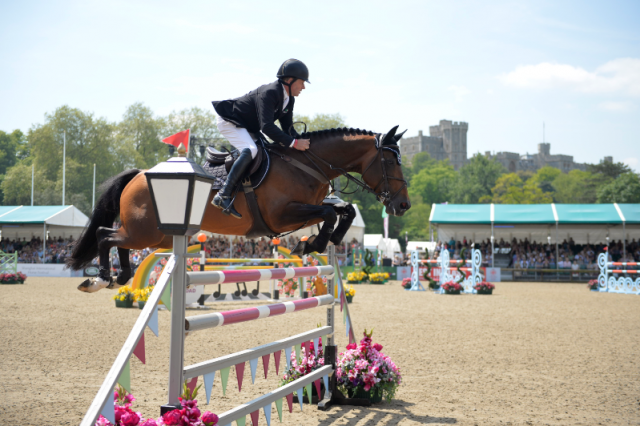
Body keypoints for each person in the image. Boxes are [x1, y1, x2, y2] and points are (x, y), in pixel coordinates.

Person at [210, 59, 312, 219]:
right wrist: (294, 143)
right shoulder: (270, 92)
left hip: (247, 126)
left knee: (267, 152)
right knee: (250, 150)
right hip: (230, 122)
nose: (303, 87)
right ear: (289, 80)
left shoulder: (289, 99)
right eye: (301, 82)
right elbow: (267, 127)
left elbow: (288, 129)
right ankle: (223, 194)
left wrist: (304, 143)